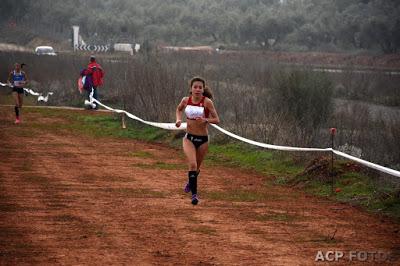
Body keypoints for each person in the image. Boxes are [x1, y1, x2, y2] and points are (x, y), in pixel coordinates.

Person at [175, 77, 220, 205]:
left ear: (203, 89)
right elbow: (179, 109)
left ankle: (191, 182)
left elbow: (217, 119)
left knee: (197, 168)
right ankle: (194, 195)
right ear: (191, 88)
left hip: (203, 140)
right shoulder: (185, 100)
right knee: (193, 165)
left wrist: (206, 119)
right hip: (189, 138)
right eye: (195, 87)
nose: (197, 89)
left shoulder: (207, 102)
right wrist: (178, 120)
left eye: (200, 87)